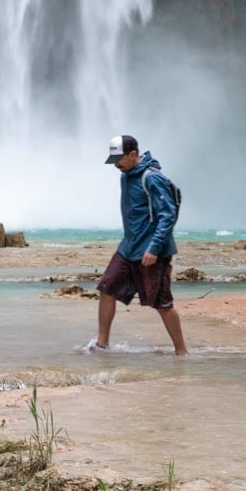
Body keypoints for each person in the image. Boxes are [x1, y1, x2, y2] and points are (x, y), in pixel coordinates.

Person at [87, 134, 188, 356]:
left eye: (119, 160)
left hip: (151, 250)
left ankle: (182, 352)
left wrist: (154, 247)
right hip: (128, 247)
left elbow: (167, 215)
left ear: (133, 155)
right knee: (107, 287)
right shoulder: (126, 176)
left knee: (162, 303)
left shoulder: (152, 179)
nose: (116, 165)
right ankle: (101, 344)